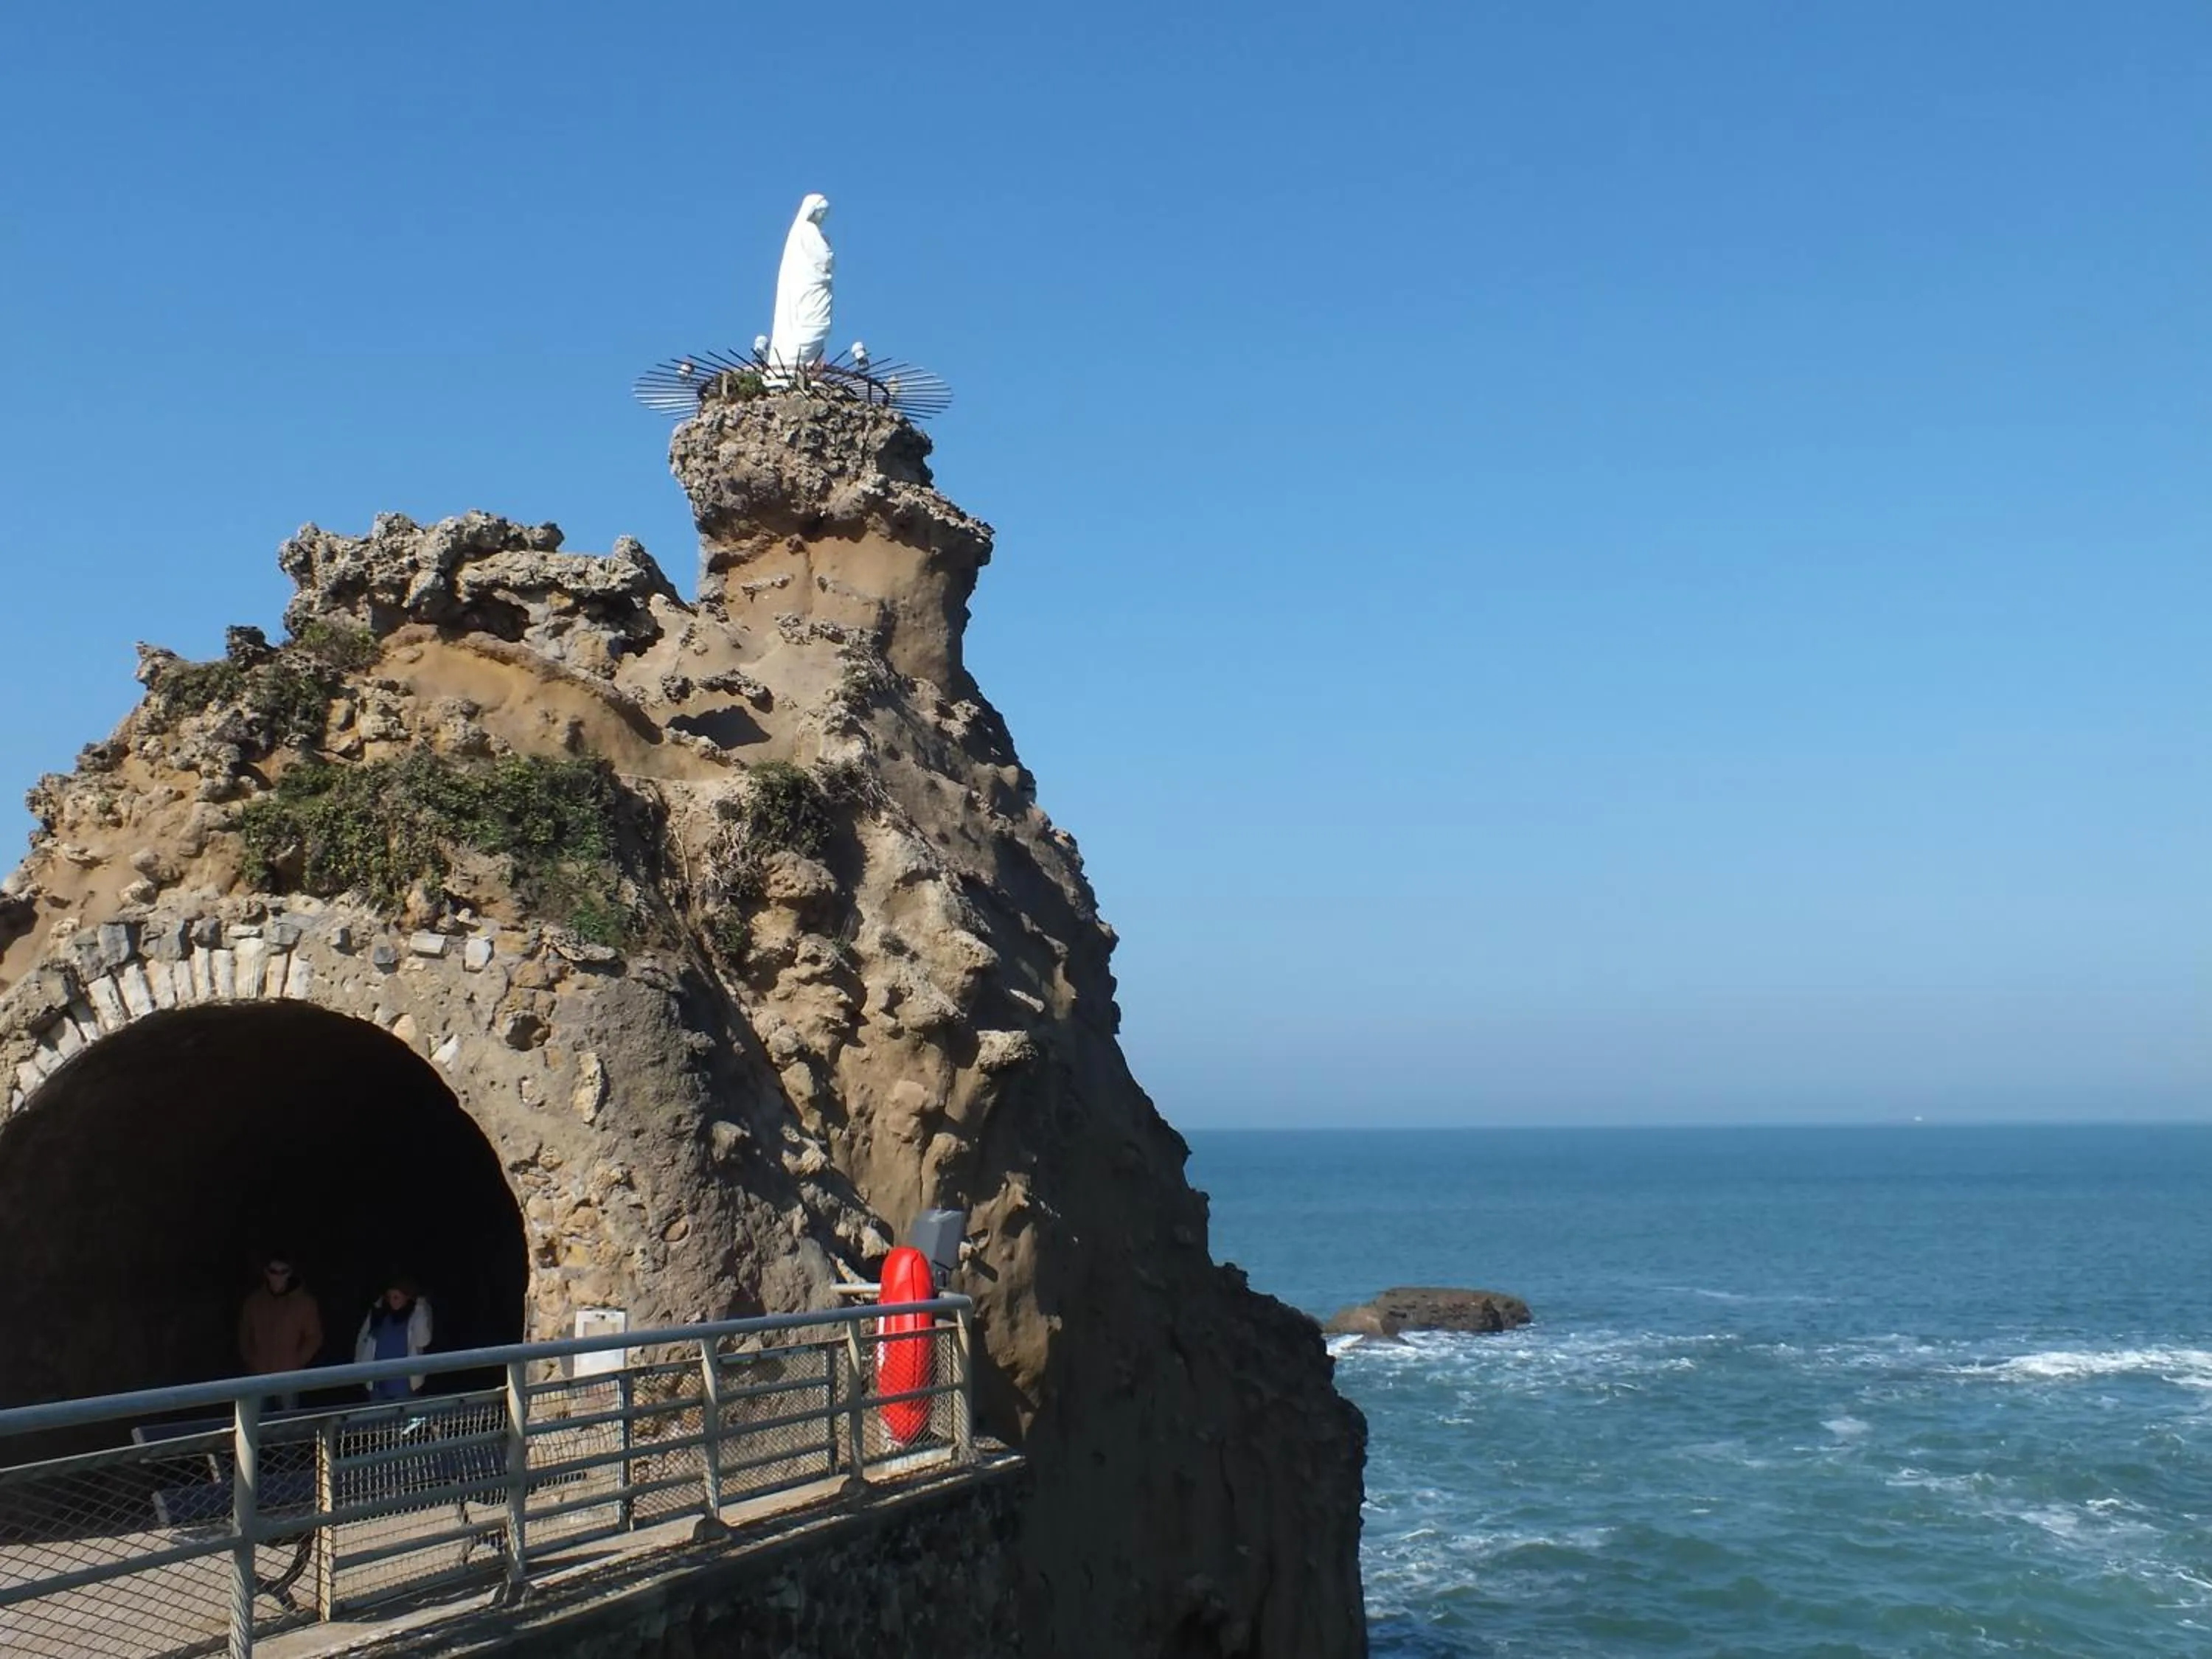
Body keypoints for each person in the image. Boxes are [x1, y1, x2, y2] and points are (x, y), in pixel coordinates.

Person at [237, 1256, 323, 1408]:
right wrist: (253, 1361)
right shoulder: (254, 1302)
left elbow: (314, 1338)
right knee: (254, 1421)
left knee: (288, 1421)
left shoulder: (305, 1303)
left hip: (288, 1377)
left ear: (290, 1273)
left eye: (283, 1272)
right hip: (258, 1375)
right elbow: (244, 1335)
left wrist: (295, 1362)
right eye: (273, 1272)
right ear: (266, 1273)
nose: (278, 1276)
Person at [354, 1278, 434, 1401]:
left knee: (404, 1417)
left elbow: (423, 1341)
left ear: (407, 1297)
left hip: (404, 1382)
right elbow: (363, 1340)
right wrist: (359, 1367)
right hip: (378, 1380)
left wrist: (420, 1307)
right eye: (389, 1297)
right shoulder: (378, 1314)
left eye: (396, 1297)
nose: (392, 1301)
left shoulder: (417, 1314)